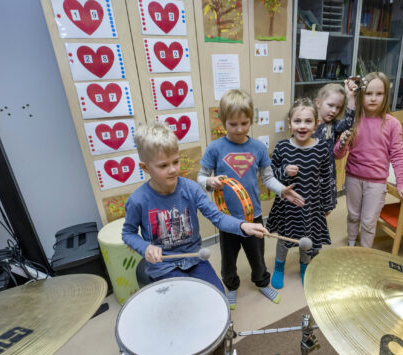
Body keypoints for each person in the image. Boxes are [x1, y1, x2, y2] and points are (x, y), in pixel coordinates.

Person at [122, 122, 267, 294]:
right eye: (163, 165)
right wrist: (145, 247)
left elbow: (217, 217)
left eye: (176, 162)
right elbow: (128, 233)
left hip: (194, 259)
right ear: (145, 168)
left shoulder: (191, 189)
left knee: (217, 294)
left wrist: (242, 225)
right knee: (181, 303)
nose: (173, 170)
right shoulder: (138, 200)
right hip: (163, 266)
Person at [198, 89, 305, 309]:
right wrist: (209, 182)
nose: (239, 129)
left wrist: (282, 190)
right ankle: (231, 286)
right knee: (228, 260)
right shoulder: (214, 148)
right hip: (227, 219)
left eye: (244, 123)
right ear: (222, 121)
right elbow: (200, 176)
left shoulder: (257, 147)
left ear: (251, 120)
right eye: (233, 124)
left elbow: (267, 177)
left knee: (257, 256)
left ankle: (262, 282)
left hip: (253, 215)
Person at [334, 72, 403, 248]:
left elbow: (398, 155)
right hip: (354, 178)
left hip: (377, 182)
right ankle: (352, 245)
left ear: (386, 96)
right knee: (353, 215)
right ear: (361, 95)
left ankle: (365, 253)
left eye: (379, 94)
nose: (373, 98)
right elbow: (338, 155)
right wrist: (342, 144)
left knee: (369, 221)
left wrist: (402, 183)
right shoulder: (352, 120)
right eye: (369, 94)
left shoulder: (392, 124)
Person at [266, 98, 334, 288]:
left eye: (307, 121)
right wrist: (284, 171)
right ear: (290, 123)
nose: (302, 126)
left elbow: (326, 177)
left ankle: (305, 267)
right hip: (286, 206)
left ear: (316, 124)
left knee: (307, 237)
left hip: (311, 205)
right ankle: (279, 267)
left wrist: (327, 204)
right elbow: (269, 176)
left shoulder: (321, 148)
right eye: (297, 121)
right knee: (283, 238)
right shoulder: (282, 147)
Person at [313, 82, 357, 207]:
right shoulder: (308, 124)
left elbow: (349, 122)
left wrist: (350, 96)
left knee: (323, 211)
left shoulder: (333, 125)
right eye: (330, 105)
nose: (334, 111)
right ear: (318, 103)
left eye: (338, 107)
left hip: (326, 177)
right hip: (309, 176)